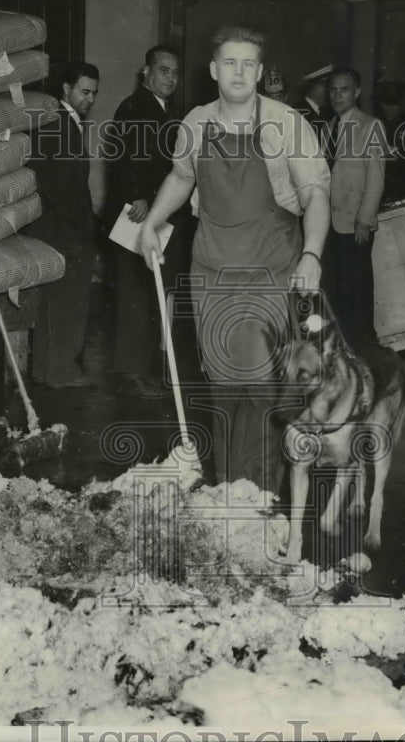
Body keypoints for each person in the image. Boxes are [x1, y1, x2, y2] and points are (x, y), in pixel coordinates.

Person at [137, 25, 330, 492]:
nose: (239, 73)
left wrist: (311, 255)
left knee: (261, 383)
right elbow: (182, 177)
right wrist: (151, 223)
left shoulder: (286, 123)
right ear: (213, 70)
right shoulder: (196, 123)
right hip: (211, 271)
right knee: (222, 385)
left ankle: (258, 497)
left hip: (270, 269)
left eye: (248, 64)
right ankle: (227, 491)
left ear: (260, 72)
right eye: (230, 63)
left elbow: (316, 194)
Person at [105, 45, 192, 399]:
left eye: (175, 72)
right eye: (163, 71)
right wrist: (137, 195)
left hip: (158, 217)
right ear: (147, 72)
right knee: (136, 295)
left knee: (151, 292)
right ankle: (132, 373)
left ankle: (143, 369)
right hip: (137, 215)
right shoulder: (133, 107)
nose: (170, 78)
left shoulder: (165, 110)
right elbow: (123, 157)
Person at [23, 61, 101, 388]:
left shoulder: (56, 121)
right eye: (85, 92)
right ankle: (62, 370)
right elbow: (62, 185)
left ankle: (45, 369)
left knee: (51, 301)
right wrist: (85, 226)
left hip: (50, 225)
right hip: (65, 227)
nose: (90, 99)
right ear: (66, 89)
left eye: (94, 93)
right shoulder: (62, 124)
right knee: (70, 301)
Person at [322, 68, 386, 350]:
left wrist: (364, 219)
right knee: (335, 289)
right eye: (333, 90)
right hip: (329, 222)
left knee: (357, 290)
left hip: (355, 223)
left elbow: (376, 177)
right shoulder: (328, 128)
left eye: (344, 89)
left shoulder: (371, 126)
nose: (337, 96)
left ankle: (362, 350)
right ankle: (340, 350)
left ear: (357, 92)